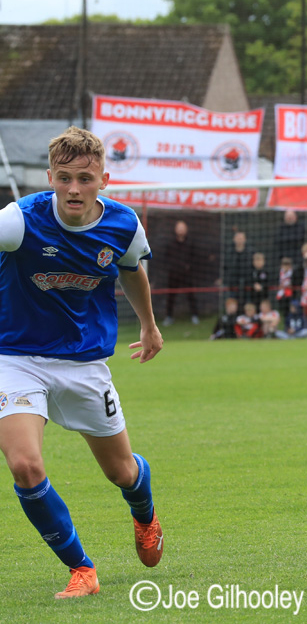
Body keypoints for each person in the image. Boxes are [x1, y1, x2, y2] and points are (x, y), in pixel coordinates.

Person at [0, 126, 164, 599]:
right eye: (65, 178)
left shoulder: (124, 225)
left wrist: (149, 326)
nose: (74, 189)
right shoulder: (18, 221)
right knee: (25, 465)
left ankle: (144, 514)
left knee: (122, 473)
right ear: (50, 177)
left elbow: (132, 271)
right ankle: (81, 569)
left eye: (85, 179)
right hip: (15, 357)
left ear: (104, 181)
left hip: (84, 362)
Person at [161, 220, 199, 326]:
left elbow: (195, 257)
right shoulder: (171, 243)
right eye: (179, 228)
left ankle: (195, 315)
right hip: (173, 274)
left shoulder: (190, 243)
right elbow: (166, 258)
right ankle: (169, 317)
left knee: (191, 294)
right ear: (175, 230)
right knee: (171, 296)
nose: (181, 230)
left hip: (187, 274)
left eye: (183, 228)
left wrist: (189, 266)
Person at [222, 229, 252, 300]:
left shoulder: (250, 252)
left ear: (245, 239)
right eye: (238, 238)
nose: (239, 240)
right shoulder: (229, 253)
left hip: (247, 285)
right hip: (232, 285)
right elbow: (225, 268)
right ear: (234, 239)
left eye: (241, 238)